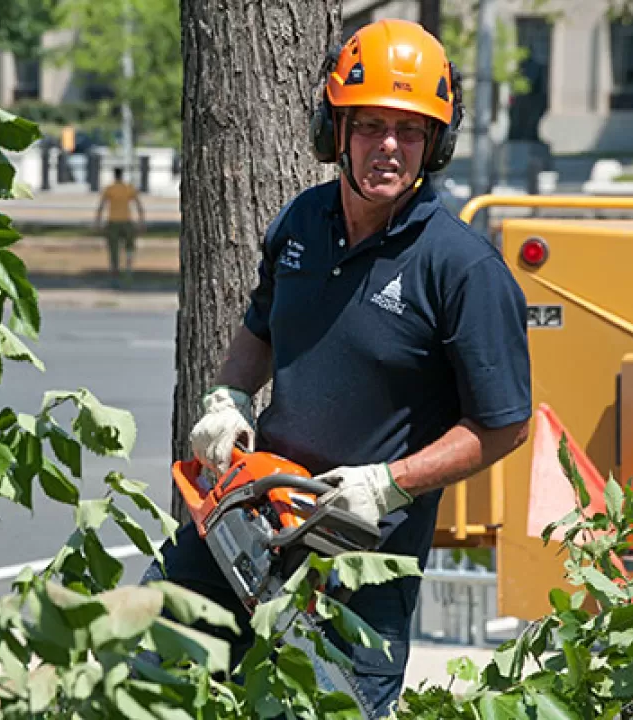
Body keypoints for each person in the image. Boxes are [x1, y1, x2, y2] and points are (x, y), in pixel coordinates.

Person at [142, 18, 531, 719]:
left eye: (410, 131)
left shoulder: (463, 268)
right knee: (143, 676)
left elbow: (503, 426)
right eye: (372, 125)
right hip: (246, 520)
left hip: (357, 567)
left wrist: (388, 484)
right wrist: (228, 394)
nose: (389, 147)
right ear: (336, 131)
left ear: (435, 144)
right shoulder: (301, 221)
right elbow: (260, 325)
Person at [95, 167, 146, 286]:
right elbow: (138, 205)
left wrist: (98, 221)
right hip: (126, 221)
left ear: (114, 175)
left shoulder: (109, 189)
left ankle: (114, 273)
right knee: (129, 246)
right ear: (122, 175)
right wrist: (141, 221)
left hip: (113, 221)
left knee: (113, 248)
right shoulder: (128, 188)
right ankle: (128, 270)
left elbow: (101, 206)